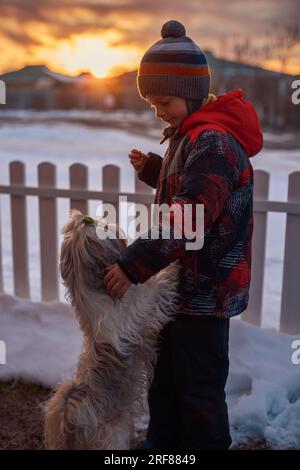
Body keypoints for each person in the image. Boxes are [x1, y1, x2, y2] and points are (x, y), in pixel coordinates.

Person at [103, 19, 263, 450]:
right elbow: (192, 191)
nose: (157, 110)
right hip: (179, 291)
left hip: (205, 294)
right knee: (165, 384)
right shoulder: (191, 135)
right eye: (151, 102)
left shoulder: (213, 141)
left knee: (198, 394)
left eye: (164, 100)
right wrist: (156, 171)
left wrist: (132, 264)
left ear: (192, 93)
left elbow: (190, 216)